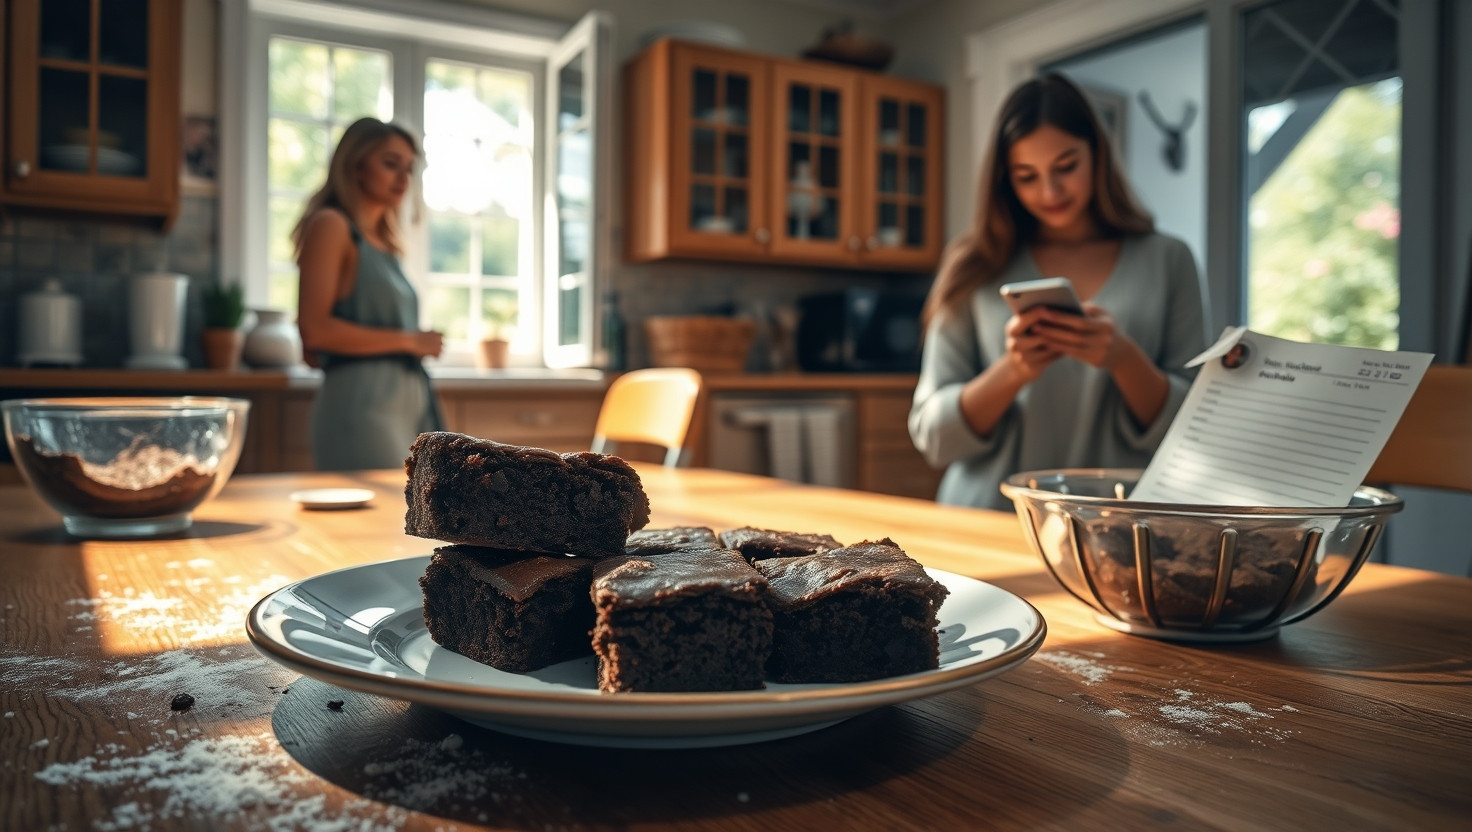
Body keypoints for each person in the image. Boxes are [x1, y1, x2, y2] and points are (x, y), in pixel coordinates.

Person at [909, 74, 1208, 510]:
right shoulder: (973, 265)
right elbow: (933, 437)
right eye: (1026, 176)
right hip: (985, 518)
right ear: (1005, 179)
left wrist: (1123, 357)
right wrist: (1013, 369)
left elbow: (1195, 429)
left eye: (1066, 167)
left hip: (1119, 525)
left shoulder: (1169, 259)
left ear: (1098, 155)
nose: (1049, 192)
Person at [293, 117, 445, 471]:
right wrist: (410, 341)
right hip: (363, 408)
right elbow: (314, 332)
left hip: (409, 406)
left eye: (409, 168)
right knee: (383, 505)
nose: (403, 178)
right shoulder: (332, 226)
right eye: (390, 164)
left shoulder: (385, 246)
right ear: (356, 166)